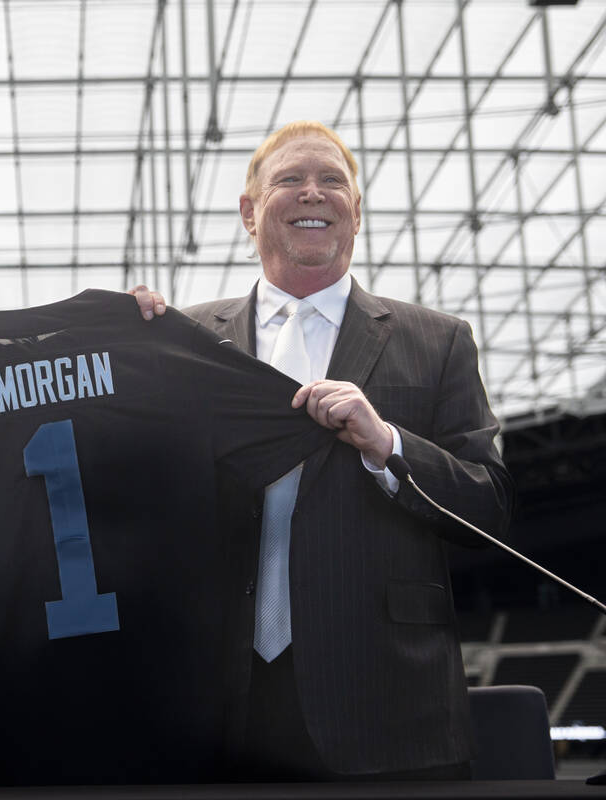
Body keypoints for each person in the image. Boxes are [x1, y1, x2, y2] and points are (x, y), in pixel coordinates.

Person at [182, 120, 514, 780]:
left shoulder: (438, 340)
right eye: (290, 180)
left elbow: (490, 508)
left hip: (387, 706)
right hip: (217, 708)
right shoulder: (186, 340)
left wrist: (387, 444)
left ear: (355, 213)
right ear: (250, 212)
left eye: (333, 180)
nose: (314, 193)